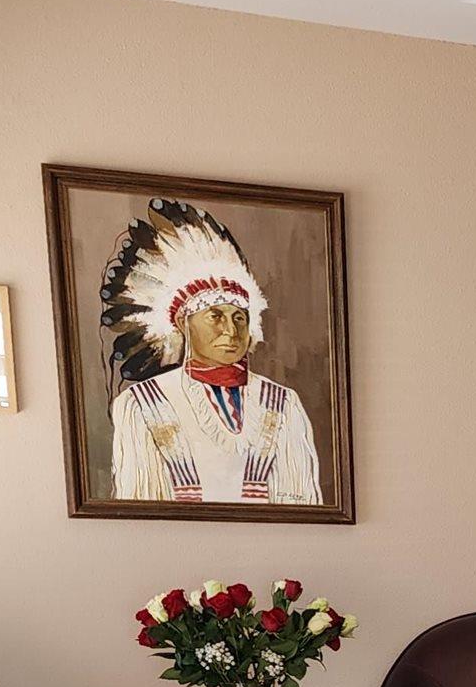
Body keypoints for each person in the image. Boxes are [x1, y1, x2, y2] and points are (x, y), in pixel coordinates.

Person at [100, 198, 323, 504]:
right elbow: (139, 506)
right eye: (215, 316)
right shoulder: (143, 404)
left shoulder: (282, 403)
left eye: (239, 318)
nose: (230, 331)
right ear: (183, 323)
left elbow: (302, 503)